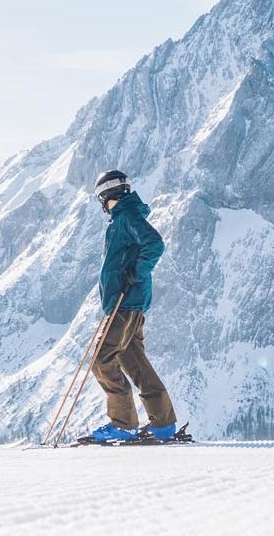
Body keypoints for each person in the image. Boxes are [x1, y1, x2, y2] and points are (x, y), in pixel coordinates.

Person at [85, 170, 178, 443]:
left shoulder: (127, 216)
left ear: (106, 196)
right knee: (136, 363)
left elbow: (155, 244)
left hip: (125, 304)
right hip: (126, 303)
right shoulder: (121, 219)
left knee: (101, 360)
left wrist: (134, 273)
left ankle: (124, 424)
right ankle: (163, 424)